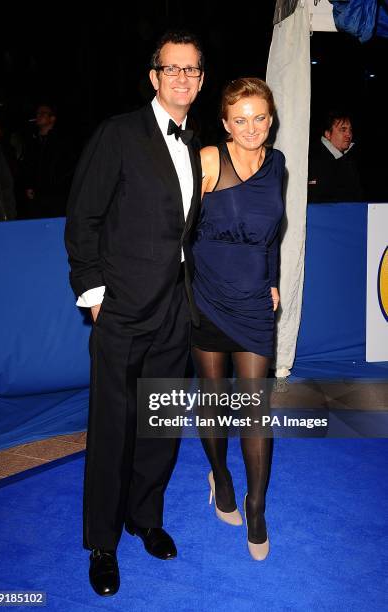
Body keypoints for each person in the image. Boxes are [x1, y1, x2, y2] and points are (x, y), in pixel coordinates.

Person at [64, 31, 204, 596]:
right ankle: (102, 541)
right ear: (154, 76)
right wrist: (94, 297)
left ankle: (144, 518)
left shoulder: (201, 144)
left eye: (192, 70)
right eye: (171, 69)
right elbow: (83, 220)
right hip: (121, 309)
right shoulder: (118, 134)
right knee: (113, 429)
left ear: (201, 78)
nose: (181, 78)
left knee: (162, 423)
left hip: (177, 308)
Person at [191, 77, 284, 561]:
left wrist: (271, 281)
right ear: (226, 123)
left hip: (253, 304)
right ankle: (220, 476)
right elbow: (176, 231)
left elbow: (273, 235)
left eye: (260, 117)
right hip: (206, 298)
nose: (252, 128)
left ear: (271, 119)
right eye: (241, 119)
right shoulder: (209, 159)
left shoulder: (278, 165)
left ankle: (257, 506)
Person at [22, 103, 74, 218]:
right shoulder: (32, 140)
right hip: (36, 197)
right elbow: (28, 165)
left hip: (57, 197)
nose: (38, 116)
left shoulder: (62, 140)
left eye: (43, 113)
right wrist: (29, 184)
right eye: (37, 113)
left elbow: (69, 166)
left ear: (52, 118)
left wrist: (56, 185)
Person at [307, 110, 363, 202]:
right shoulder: (313, 160)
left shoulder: (352, 159)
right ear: (328, 134)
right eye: (343, 129)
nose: (348, 134)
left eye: (350, 130)